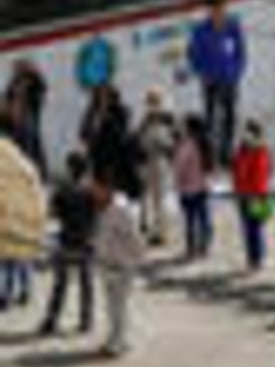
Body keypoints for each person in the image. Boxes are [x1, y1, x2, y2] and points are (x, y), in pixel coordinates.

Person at [38, 154, 96, 337]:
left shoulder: (63, 190)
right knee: (86, 284)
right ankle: (86, 319)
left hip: (66, 240)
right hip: (86, 241)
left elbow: (52, 213)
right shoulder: (90, 191)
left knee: (60, 284)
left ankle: (51, 320)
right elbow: (96, 218)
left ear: (70, 169)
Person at [186, 0, 246, 167]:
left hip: (229, 79)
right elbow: (193, 54)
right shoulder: (201, 30)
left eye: (222, 10)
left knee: (229, 117)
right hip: (210, 80)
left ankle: (226, 151)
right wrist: (203, 71)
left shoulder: (233, 27)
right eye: (215, 10)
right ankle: (210, 154)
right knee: (211, 117)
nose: (219, 14)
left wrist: (236, 71)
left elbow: (240, 52)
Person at [91, 170, 144, 358]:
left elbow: (134, 237)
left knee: (119, 306)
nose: (94, 191)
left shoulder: (121, 209)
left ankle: (118, 343)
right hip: (107, 262)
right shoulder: (102, 207)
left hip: (122, 264)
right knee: (112, 306)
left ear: (107, 188)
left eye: (97, 188)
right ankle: (116, 339)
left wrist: (133, 259)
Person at [133, 89, 178, 244]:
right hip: (151, 161)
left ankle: (161, 231)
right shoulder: (149, 118)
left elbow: (171, 141)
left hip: (159, 160)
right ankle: (155, 229)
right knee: (152, 198)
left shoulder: (165, 118)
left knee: (159, 198)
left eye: (152, 99)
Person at [80, 84, 137, 203]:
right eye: (99, 96)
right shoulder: (92, 112)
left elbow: (121, 133)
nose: (102, 99)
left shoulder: (121, 111)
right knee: (98, 184)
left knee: (113, 186)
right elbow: (84, 131)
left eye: (105, 96)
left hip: (114, 156)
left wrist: (107, 118)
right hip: (96, 155)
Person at [231, 121, 274, 272]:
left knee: (256, 228)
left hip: (257, 195)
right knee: (247, 228)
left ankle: (258, 258)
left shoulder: (262, 151)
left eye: (250, 131)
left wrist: (257, 194)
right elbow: (236, 168)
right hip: (243, 194)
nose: (246, 134)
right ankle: (251, 257)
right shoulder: (242, 149)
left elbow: (262, 174)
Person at [173, 116, 214, 260]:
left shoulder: (187, 145)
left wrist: (177, 183)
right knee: (204, 218)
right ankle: (205, 246)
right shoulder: (206, 144)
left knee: (190, 220)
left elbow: (179, 165)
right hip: (203, 185)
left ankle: (191, 247)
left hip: (188, 187)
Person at [2, 58, 48, 177]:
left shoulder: (34, 85)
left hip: (26, 127)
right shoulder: (14, 85)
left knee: (29, 151)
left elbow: (39, 94)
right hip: (15, 129)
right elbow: (7, 102)